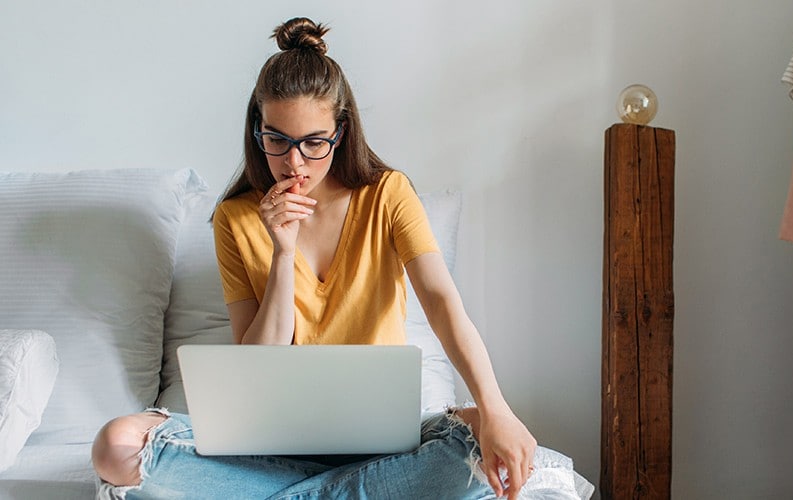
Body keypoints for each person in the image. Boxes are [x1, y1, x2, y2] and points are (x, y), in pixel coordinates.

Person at [90, 16, 575, 500]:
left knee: (486, 448)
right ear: (257, 129)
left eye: (313, 143)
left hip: (384, 450)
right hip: (266, 450)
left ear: (340, 133)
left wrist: (495, 409)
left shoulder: (388, 195)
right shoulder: (238, 219)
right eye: (277, 140)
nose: (293, 162)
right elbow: (255, 365)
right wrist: (282, 252)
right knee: (116, 447)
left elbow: (443, 305)